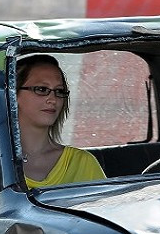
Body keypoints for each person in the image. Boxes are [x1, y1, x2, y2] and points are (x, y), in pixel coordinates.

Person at [15, 54, 105, 188]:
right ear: (13, 94)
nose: (53, 99)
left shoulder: (82, 163)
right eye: (41, 89)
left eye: (59, 91)